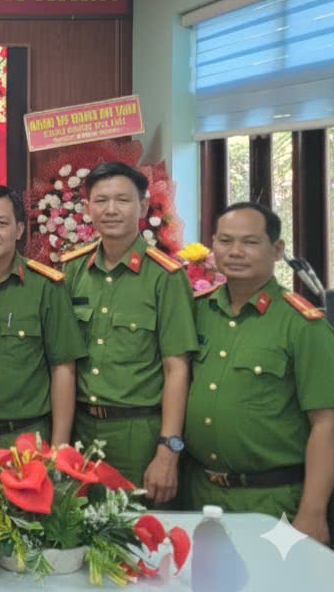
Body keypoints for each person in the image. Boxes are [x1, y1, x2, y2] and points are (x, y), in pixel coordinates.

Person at [182, 202, 334, 544]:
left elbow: (328, 424)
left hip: (272, 501)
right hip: (198, 494)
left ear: (277, 249)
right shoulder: (197, 311)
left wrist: (313, 511)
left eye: (250, 242)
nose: (235, 251)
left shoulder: (303, 325)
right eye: (225, 241)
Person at [62, 161, 197, 504]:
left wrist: (168, 451)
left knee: (139, 530)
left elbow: (177, 368)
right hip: (80, 430)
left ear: (143, 205)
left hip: (139, 435)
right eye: (101, 200)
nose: (111, 209)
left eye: (122, 200)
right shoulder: (73, 270)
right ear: (88, 208)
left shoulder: (165, 277)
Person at [0, 185, 86, 459]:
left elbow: (63, 368)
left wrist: (58, 448)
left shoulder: (46, 287)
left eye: (2, 223)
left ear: (20, 229)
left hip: (26, 442)